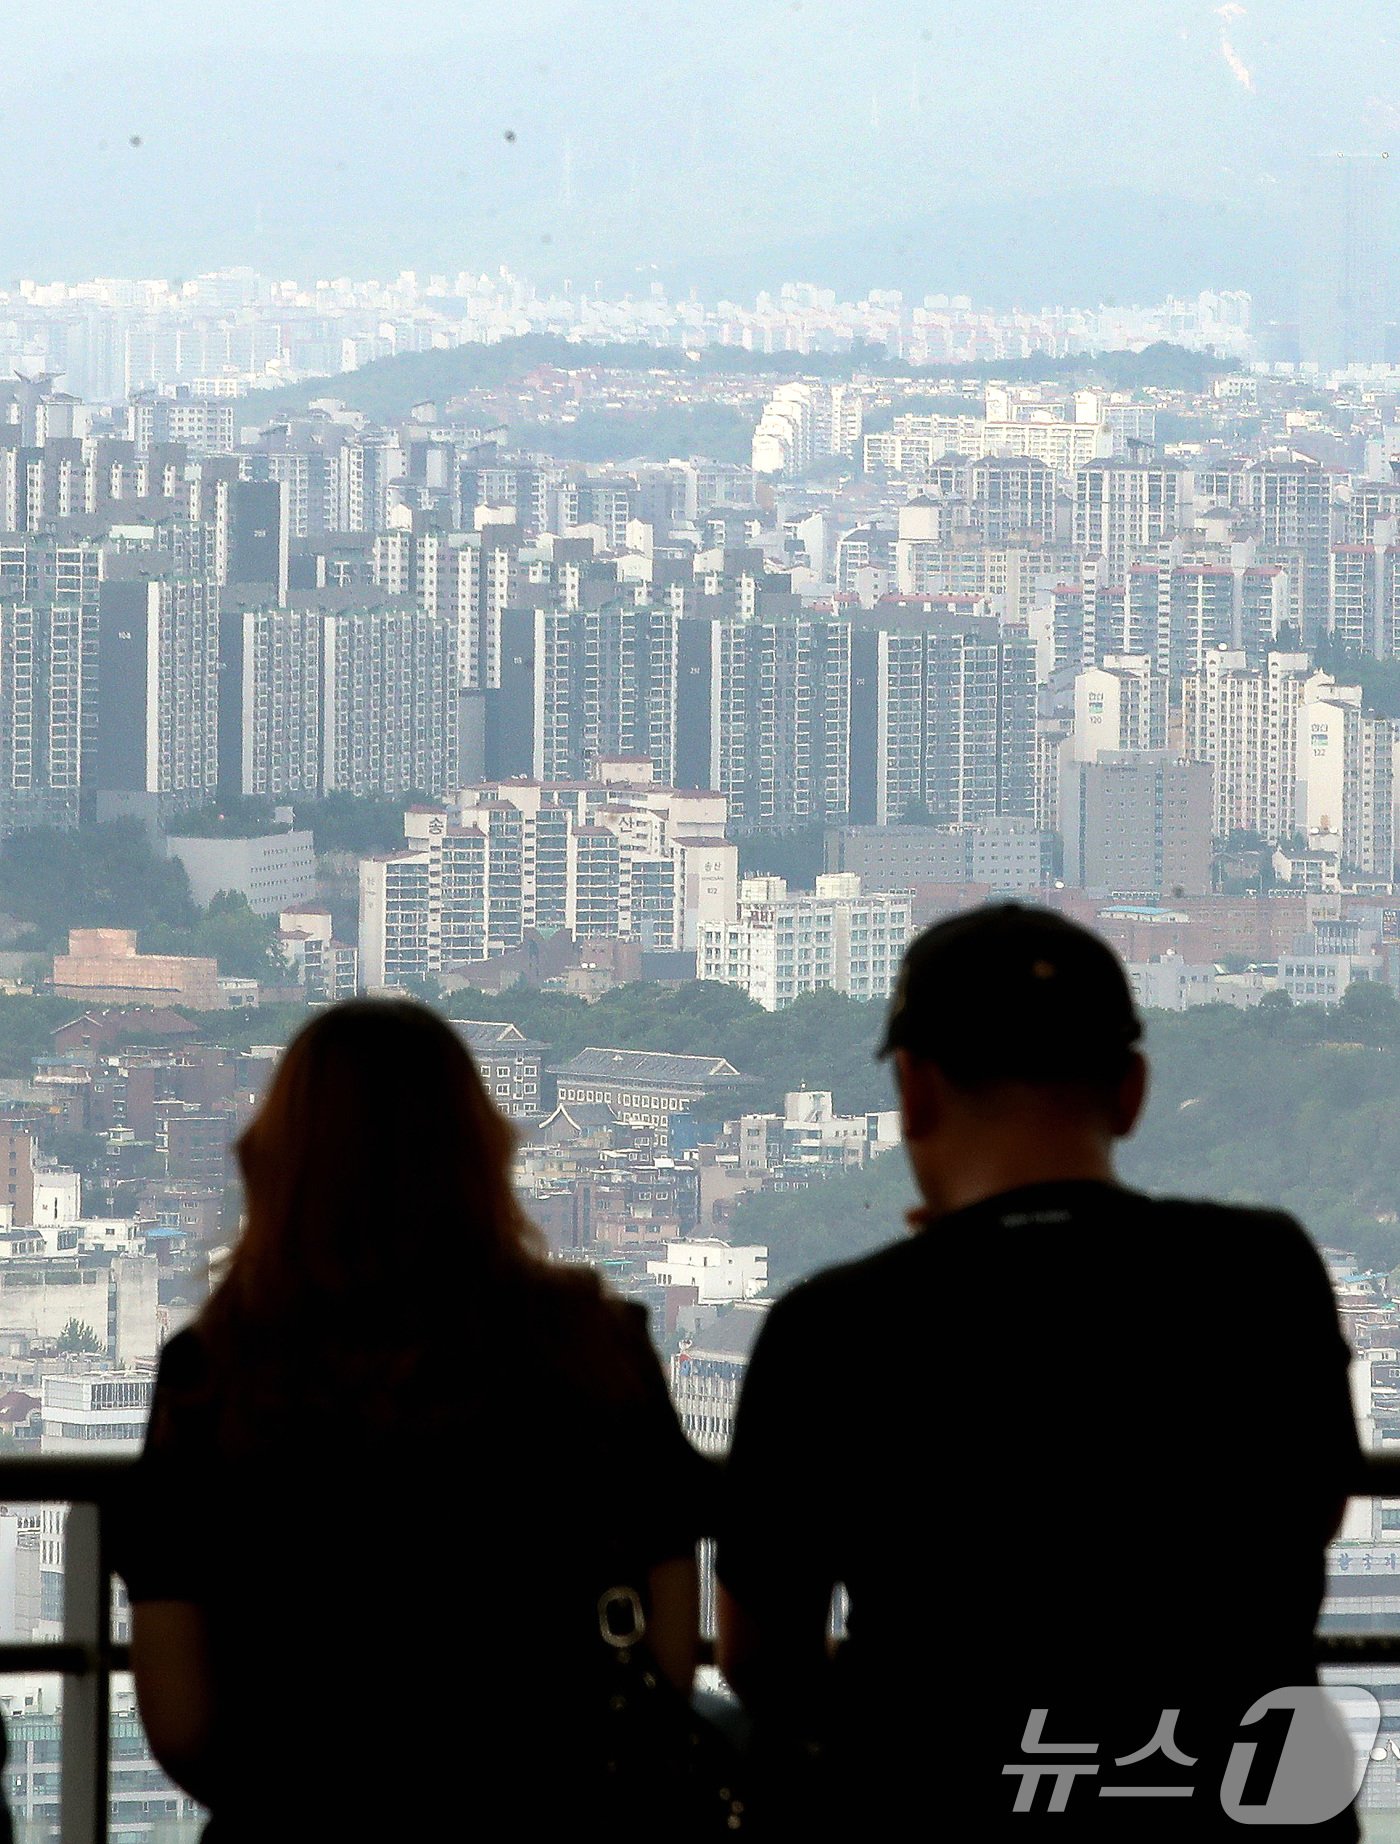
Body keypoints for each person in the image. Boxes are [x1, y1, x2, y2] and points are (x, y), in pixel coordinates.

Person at [717, 904, 1363, 1839]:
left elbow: (761, 1661)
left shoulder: (835, 1326)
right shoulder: (1263, 1270)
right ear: (1132, 1091)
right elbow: (1314, 1510)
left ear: (916, 1091)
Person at [114, 999, 709, 1841]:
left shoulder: (216, 1374)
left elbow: (179, 1722)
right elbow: (671, 1657)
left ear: (277, 1163)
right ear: (482, 1156)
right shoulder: (596, 1349)